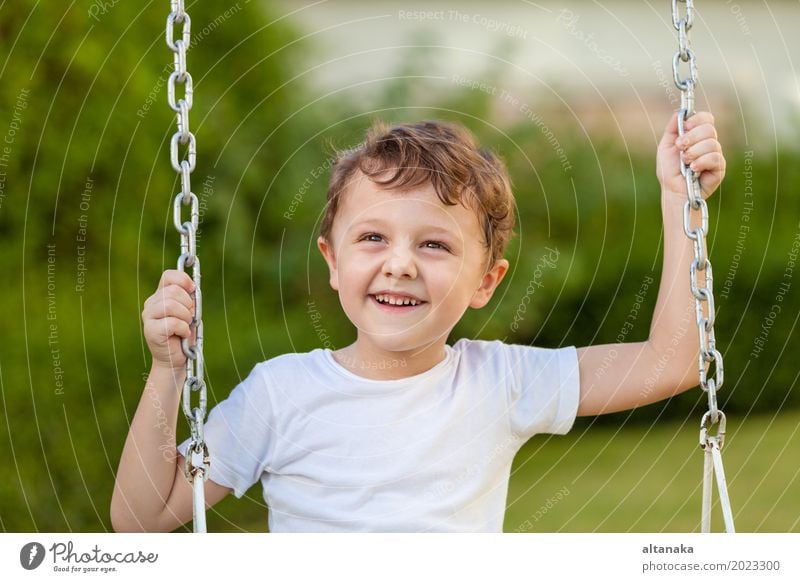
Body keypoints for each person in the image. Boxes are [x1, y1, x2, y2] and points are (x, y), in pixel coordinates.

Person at [110, 112, 725, 532]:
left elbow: (671, 360)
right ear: (333, 259)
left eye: (434, 245)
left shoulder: (500, 382)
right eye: (373, 237)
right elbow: (142, 518)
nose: (399, 264)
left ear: (487, 280)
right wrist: (168, 371)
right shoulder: (279, 395)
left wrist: (680, 200)